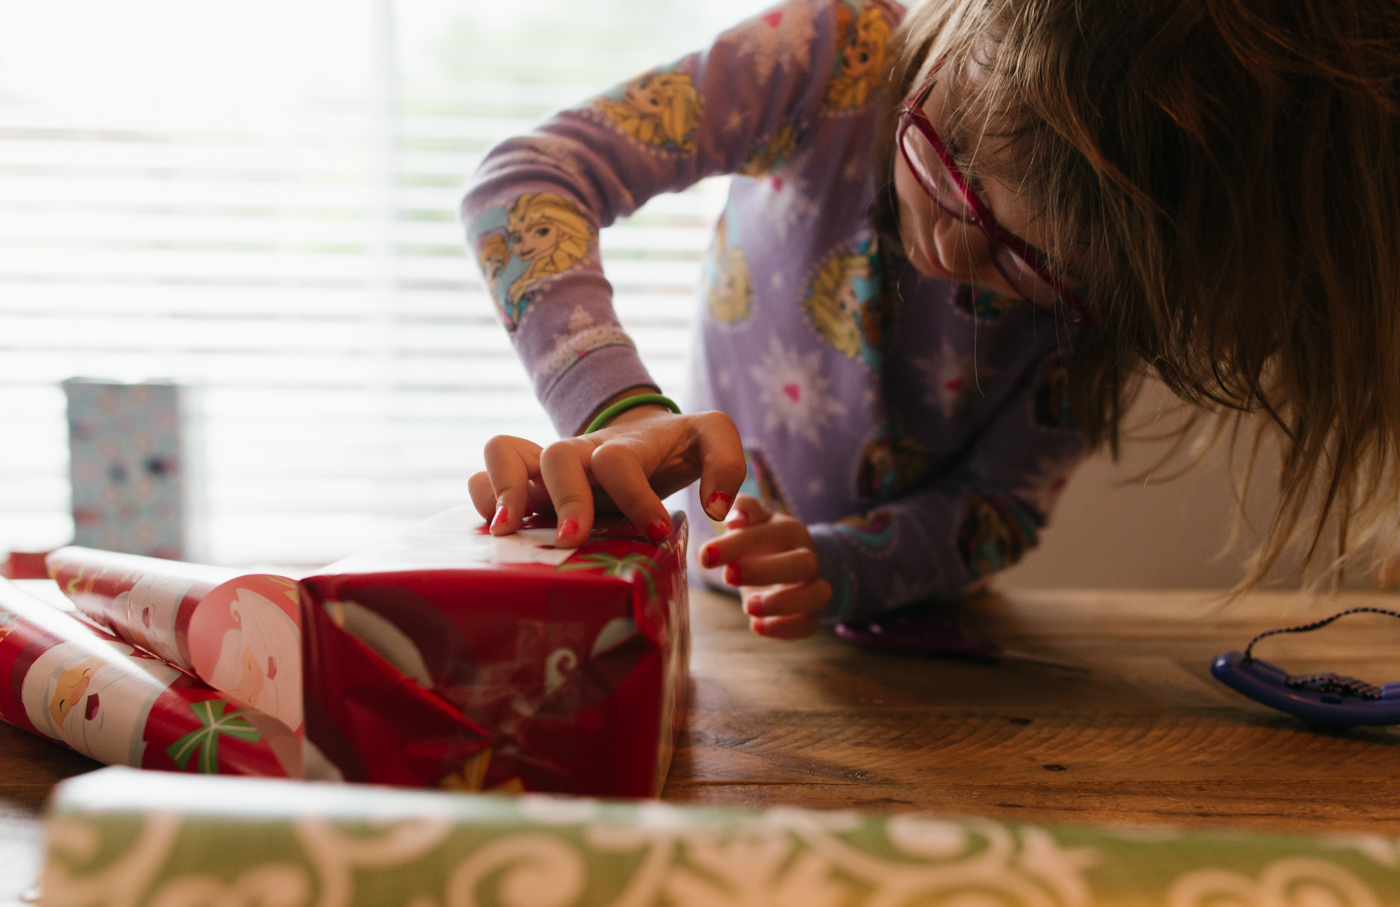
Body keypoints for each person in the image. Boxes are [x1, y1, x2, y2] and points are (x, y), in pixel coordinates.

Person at [463, 0, 1400, 639]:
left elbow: (998, 505)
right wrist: (617, 410)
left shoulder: (1116, 282)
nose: (956, 251)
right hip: (700, 618)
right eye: (943, 162)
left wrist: (846, 567)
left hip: (925, 640)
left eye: (1025, 261)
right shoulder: (830, 59)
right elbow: (528, 180)